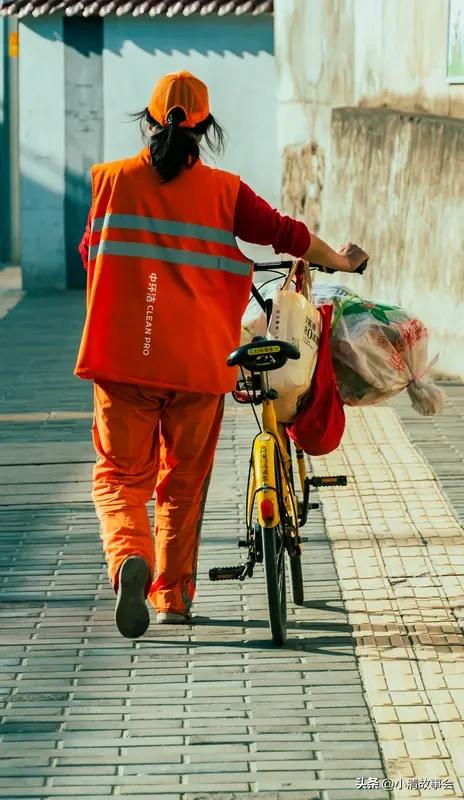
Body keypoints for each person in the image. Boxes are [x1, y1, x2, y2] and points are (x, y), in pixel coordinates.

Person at [75, 70, 368, 639]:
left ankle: (128, 559)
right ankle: (173, 595)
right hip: (198, 365)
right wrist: (341, 260)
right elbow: (286, 234)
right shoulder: (226, 191)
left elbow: (91, 253)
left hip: (122, 359)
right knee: (182, 482)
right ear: (205, 127)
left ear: (150, 120)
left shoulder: (108, 182)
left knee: (118, 476)